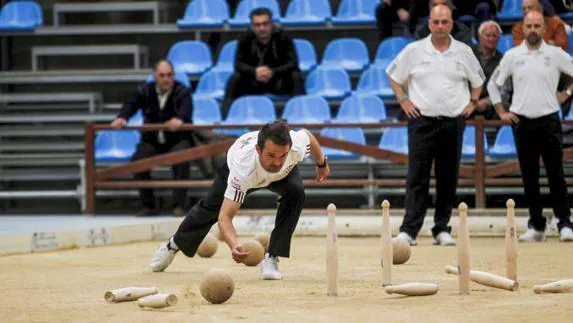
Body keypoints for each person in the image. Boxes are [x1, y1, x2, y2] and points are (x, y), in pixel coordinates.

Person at [149, 120, 330, 279]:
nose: (277, 162)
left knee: (296, 193)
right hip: (240, 171)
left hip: (282, 176)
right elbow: (225, 217)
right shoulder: (243, 168)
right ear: (258, 149)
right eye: (271, 156)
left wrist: (322, 163)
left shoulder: (294, 147)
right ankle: (172, 245)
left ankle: (272, 258)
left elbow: (308, 135)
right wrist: (234, 244)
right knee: (209, 209)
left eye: (283, 155)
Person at [386, 4, 484, 246]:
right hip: (421, 121)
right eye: (436, 22)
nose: (440, 26)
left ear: (452, 24)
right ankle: (409, 230)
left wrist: (473, 101)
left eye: (445, 22)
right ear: (429, 24)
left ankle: (442, 228)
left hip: (453, 121)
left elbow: (478, 80)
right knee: (417, 177)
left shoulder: (464, 51)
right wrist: (403, 99)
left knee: (447, 178)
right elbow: (393, 75)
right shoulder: (413, 50)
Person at [487, 11, 573, 242]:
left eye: (537, 26)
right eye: (529, 26)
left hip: (549, 119)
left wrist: (567, 93)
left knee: (556, 174)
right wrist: (501, 111)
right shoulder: (513, 56)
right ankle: (536, 226)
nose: (533, 30)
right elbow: (493, 85)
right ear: (522, 29)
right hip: (522, 121)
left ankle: (565, 223)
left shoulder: (556, 54)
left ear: (544, 28)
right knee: (529, 176)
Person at [110, 60, 192, 217]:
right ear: (154, 75)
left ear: (173, 76)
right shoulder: (144, 90)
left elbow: (186, 111)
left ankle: (179, 205)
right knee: (138, 161)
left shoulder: (183, 90)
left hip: (177, 139)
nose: (166, 79)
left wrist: (180, 119)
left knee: (183, 156)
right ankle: (149, 206)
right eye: (162, 75)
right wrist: (122, 117)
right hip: (152, 140)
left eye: (169, 75)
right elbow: (130, 104)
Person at [222, 8, 305, 118]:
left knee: (296, 77)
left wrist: (273, 72)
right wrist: (255, 71)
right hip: (254, 81)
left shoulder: (284, 37)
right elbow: (238, 65)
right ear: (252, 26)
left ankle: (300, 116)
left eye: (265, 24)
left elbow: (293, 63)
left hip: (278, 80)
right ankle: (226, 119)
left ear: (271, 24)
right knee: (234, 79)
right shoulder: (245, 38)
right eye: (257, 25)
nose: (262, 28)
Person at [471, 20, 503, 120]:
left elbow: (503, 89)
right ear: (480, 37)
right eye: (487, 35)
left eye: (494, 36)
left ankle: (501, 135)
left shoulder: (502, 59)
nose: (491, 39)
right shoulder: (467, 53)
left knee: (505, 107)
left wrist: (487, 101)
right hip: (466, 100)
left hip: (490, 102)